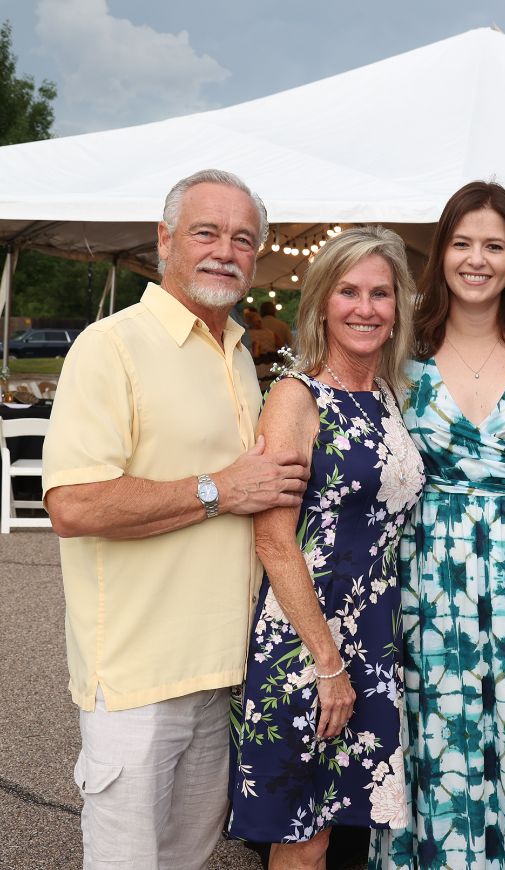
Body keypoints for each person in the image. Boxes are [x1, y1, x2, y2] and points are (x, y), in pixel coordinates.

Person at [41, 168, 309, 869]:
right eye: (206, 232)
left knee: (188, 859)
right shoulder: (112, 345)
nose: (225, 250)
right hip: (137, 682)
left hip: (220, 675)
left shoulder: (238, 353)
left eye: (242, 239)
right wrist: (221, 489)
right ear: (165, 240)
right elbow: (73, 503)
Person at [369, 181, 505, 870]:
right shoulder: (402, 345)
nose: (477, 260)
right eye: (462, 244)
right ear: (441, 253)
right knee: (437, 731)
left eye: (494, 245)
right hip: (429, 574)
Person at [227, 226, 425, 867]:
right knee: (304, 839)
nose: (366, 308)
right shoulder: (296, 396)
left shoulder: (388, 395)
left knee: (347, 833)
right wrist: (327, 662)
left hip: (372, 638)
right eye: (348, 292)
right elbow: (273, 539)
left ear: (398, 308)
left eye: (380, 293)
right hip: (308, 640)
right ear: (320, 305)